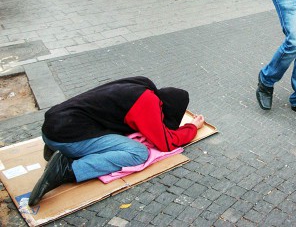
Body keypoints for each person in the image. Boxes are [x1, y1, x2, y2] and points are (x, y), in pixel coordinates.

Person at [28, 76, 205, 206]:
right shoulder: (148, 103)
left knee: (118, 137)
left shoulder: (142, 84)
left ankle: (57, 147)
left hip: (55, 125)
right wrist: (192, 128)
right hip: (65, 136)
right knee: (138, 153)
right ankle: (66, 169)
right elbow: (165, 143)